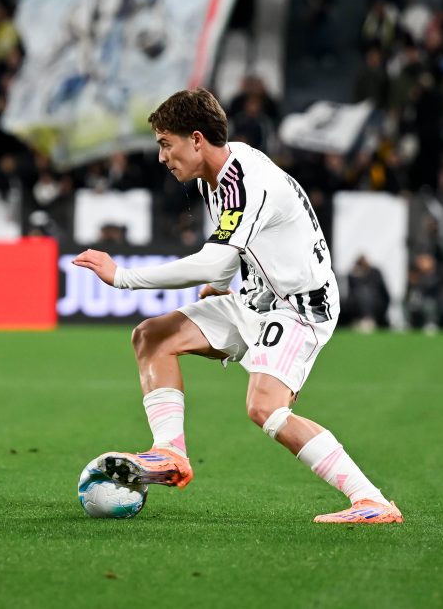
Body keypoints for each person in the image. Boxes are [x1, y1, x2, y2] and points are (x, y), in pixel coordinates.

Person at [73, 88, 402, 524]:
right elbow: (229, 249)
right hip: (257, 297)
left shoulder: (247, 179)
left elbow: (215, 255)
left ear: (195, 139)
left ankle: (371, 500)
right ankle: (169, 453)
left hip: (300, 308)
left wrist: (123, 277)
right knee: (152, 337)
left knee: (264, 408)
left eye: (165, 144)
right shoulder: (220, 175)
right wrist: (219, 284)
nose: (161, 156)